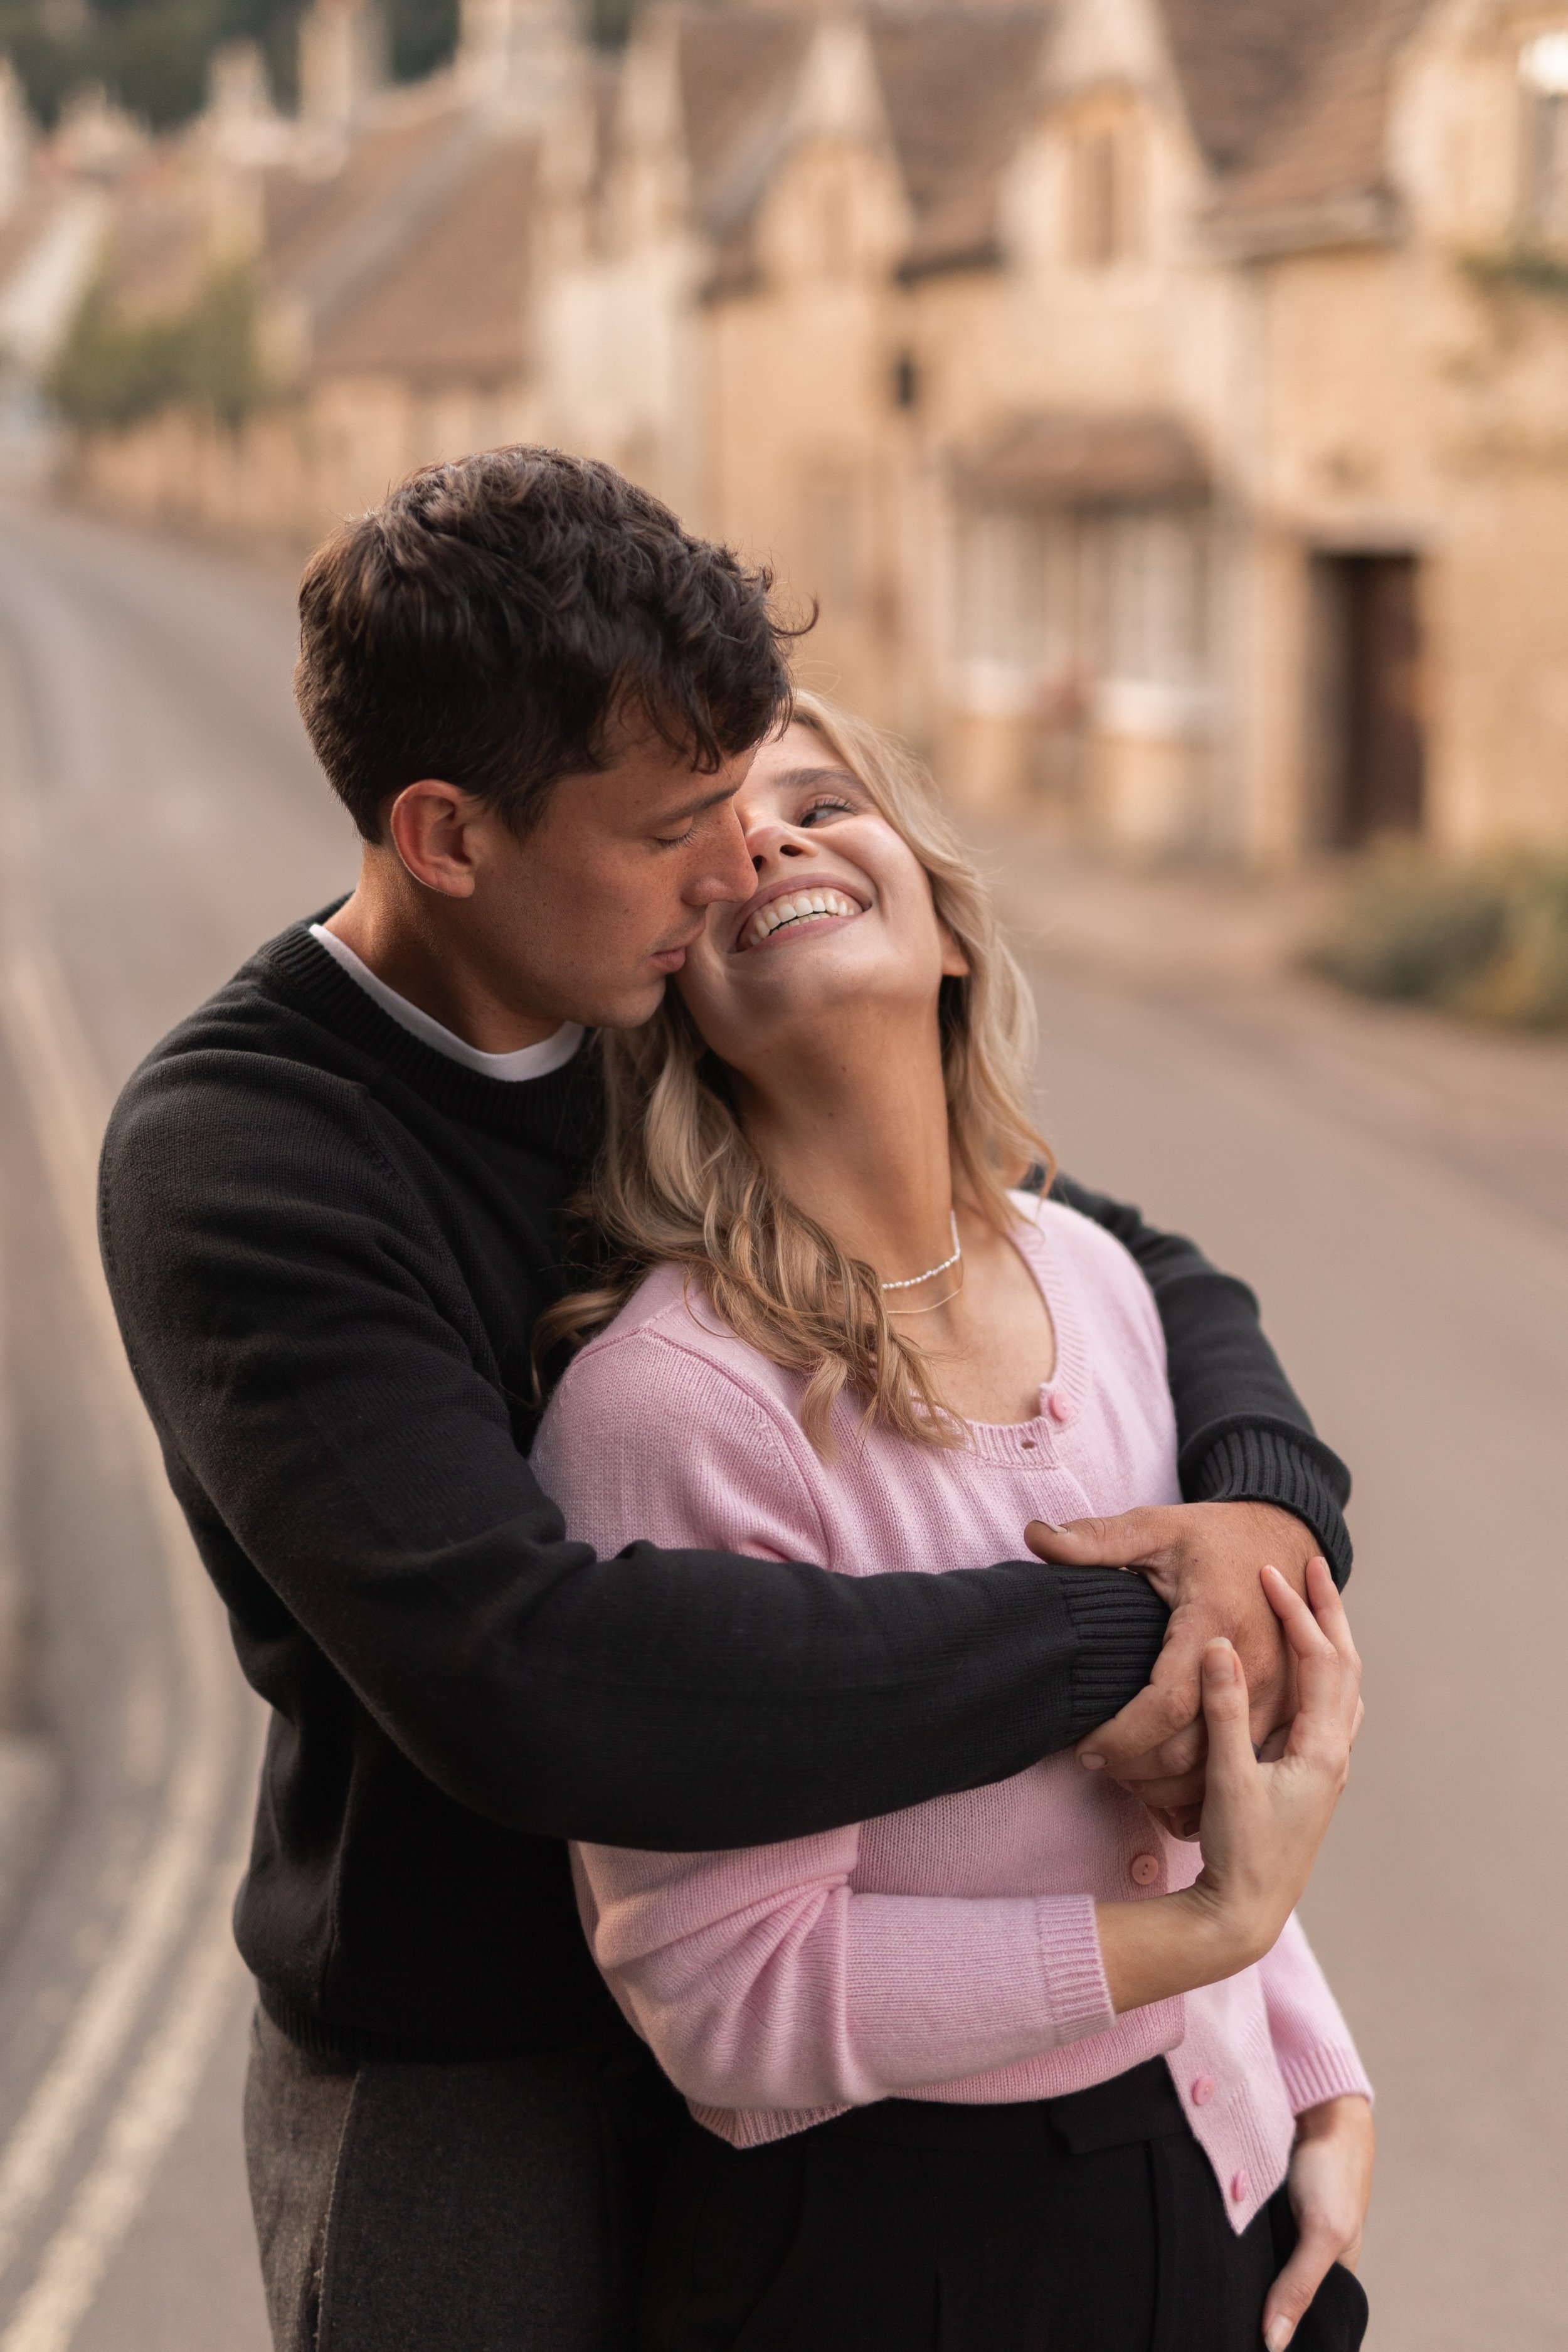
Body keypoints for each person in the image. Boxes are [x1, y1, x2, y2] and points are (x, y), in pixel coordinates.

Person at [97, 449, 1356, 2352]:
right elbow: (534, 1678)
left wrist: (1256, 1531)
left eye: (768, 790)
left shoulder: (647, 995)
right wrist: (1127, 1632)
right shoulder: (248, 1157)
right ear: (447, 837)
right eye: (681, 816)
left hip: (867, 2074)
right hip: (486, 2045)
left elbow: (1105, 1262)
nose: (738, 860)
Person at [533, 693, 1372, 2352]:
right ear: (668, 989)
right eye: (705, 835)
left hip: (1215, 2166)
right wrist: (1207, 1934)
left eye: (822, 797)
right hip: (891, 2250)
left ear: (946, 928)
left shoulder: (1096, 1281)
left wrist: (1304, 2060)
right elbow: (720, 1995)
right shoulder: (673, 1407)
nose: (767, 837)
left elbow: (1213, 1792)